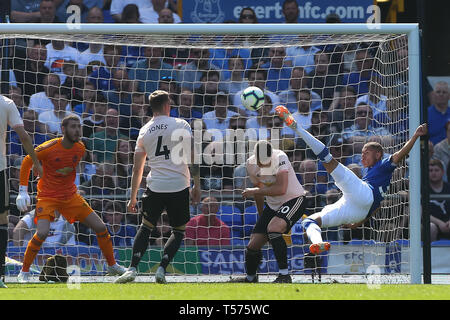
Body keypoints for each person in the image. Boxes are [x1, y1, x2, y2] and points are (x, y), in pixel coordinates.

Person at [275, 105, 428, 255]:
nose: (362, 157)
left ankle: (296, 127)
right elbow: (376, 206)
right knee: (309, 221)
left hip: (363, 194)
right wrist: (358, 222)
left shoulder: (384, 164)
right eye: (361, 153)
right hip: (357, 210)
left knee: (327, 159)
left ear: (378, 154)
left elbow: (401, 153)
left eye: (366, 153)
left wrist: (415, 136)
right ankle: (318, 243)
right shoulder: (373, 173)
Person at [15, 114, 125, 283]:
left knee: (101, 227)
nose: (77, 130)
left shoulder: (80, 149)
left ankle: (112, 265)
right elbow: (27, 161)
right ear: (63, 129)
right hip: (48, 197)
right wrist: (23, 190)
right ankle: (24, 271)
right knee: (42, 232)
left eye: (79, 127)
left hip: (71, 197)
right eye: (73, 127)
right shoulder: (49, 147)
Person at [114, 90, 201, 284]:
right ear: (167, 105)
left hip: (156, 186)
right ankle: (162, 269)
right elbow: (192, 157)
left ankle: (132, 269)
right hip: (179, 185)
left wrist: (133, 197)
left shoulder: (144, 130)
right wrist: (197, 185)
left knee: (146, 227)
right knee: (178, 231)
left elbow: (138, 169)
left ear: (151, 107)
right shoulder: (181, 124)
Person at [236, 140, 307, 283]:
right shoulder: (250, 165)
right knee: (253, 245)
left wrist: (256, 190)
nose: (264, 165)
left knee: (273, 228)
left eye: (267, 161)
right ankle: (250, 278)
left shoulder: (280, 158)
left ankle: (284, 275)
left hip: (294, 199)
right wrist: (262, 215)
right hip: (273, 206)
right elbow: (259, 192)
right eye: (261, 162)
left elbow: (281, 189)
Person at [0, 94, 42, 288]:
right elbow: (23, 135)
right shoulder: (6, 103)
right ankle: (0, 276)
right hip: (0, 170)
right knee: (2, 221)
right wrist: (35, 162)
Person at [428, 159, 450, 242]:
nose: (433, 173)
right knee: (431, 227)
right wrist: (439, 223)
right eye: (430, 170)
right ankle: (431, 254)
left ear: (443, 172)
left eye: (436, 170)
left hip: (448, 222)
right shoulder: (423, 189)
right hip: (432, 222)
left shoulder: (448, 187)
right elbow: (422, 213)